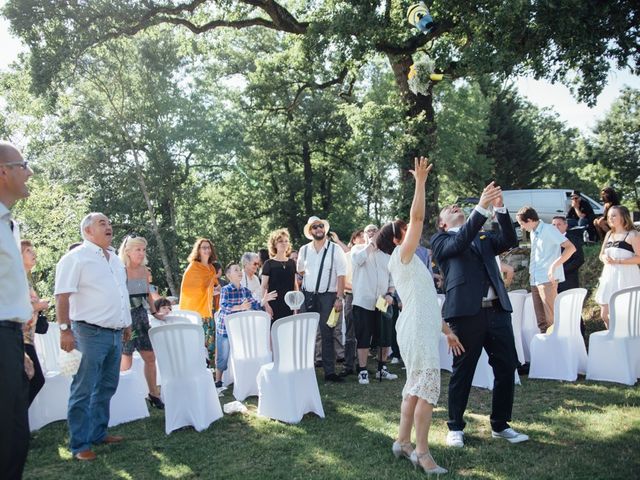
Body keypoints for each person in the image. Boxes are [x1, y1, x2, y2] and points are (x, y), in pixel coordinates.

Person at [432, 180, 528, 450]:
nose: (454, 207)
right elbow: (460, 242)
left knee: (506, 367)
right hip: (465, 314)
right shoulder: (441, 241)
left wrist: (500, 209)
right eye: (448, 209)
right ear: (442, 223)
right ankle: (455, 426)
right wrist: (481, 207)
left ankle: (500, 425)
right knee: (463, 371)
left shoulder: (481, 235)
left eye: (456, 206)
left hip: (497, 311)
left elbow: (509, 240)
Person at [382, 157, 460, 475]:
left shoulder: (414, 264)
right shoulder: (402, 256)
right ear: (398, 240)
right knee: (426, 388)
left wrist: (446, 330)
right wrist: (420, 182)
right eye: (406, 230)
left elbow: (426, 301)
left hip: (421, 325)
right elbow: (417, 217)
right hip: (414, 329)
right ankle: (423, 453)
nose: (413, 229)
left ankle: (403, 442)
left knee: (415, 388)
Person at [55, 212, 132, 461]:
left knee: (107, 386)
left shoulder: (115, 260)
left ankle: (99, 433)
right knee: (83, 389)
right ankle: (80, 445)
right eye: (102, 223)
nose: (109, 226)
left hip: (115, 333)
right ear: (88, 231)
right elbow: (62, 296)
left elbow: (122, 294)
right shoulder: (75, 258)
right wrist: (65, 330)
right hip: (88, 333)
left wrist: (127, 323)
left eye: (110, 223)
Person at [0, 141, 34, 479]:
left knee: (15, 436)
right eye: (23, 164)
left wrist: (18, 347)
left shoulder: (10, 225)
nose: (29, 172)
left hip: (9, 338)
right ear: (3, 172)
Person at [297, 215, 347, 382]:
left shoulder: (335, 249)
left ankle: (329, 372)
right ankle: (304, 369)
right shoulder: (304, 250)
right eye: (314, 227)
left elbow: (341, 275)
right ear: (310, 231)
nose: (318, 229)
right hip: (308, 295)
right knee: (306, 333)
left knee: (327, 333)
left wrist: (339, 298)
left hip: (328, 296)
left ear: (324, 229)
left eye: (320, 226)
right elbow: (301, 271)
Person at [117, 235, 164, 409]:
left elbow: (148, 294)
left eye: (143, 249)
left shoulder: (144, 271)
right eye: (138, 249)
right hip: (126, 320)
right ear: (128, 251)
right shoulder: (120, 270)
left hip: (142, 319)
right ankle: (124, 398)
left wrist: (154, 312)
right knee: (126, 359)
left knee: (150, 356)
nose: (141, 252)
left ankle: (153, 394)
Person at [214, 263, 276, 388]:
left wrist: (263, 301)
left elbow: (254, 305)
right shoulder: (226, 290)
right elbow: (224, 307)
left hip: (239, 331)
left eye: (239, 270)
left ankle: (245, 377)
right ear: (228, 275)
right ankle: (218, 380)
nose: (239, 272)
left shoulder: (245, 291)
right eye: (235, 270)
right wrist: (240, 307)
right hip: (225, 329)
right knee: (223, 355)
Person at [351, 224, 398, 384]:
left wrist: (390, 294)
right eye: (368, 231)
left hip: (382, 301)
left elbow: (392, 278)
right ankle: (363, 370)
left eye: (375, 231)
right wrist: (372, 244)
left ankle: (382, 368)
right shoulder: (358, 250)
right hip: (363, 301)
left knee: (384, 336)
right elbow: (358, 261)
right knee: (364, 337)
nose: (372, 233)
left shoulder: (387, 255)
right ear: (364, 235)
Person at [517, 206, 576, 333]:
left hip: (547, 279)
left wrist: (554, 266)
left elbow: (571, 248)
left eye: (522, 223)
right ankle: (546, 350)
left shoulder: (549, 229)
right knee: (541, 322)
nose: (521, 227)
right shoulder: (533, 232)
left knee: (551, 320)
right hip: (534, 279)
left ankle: (557, 349)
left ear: (530, 220)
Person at [594, 206, 640, 328]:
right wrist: (604, 258)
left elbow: (639, 257)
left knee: (626, 315)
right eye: (609, 216)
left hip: (627, 277)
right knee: (605, 314)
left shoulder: (633, 234)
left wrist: (618, 261)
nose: (610, 218)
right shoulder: (609, 234)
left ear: (623, 217)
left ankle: (627, 341)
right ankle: (613, 339)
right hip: (609, 277)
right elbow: (601, 254)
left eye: (614, 215)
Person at [179, 238, 218, 365]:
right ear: (198, 250)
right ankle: (199, 368)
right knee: (198, 344)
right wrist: (210, 288)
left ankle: (209, 371)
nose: (207, 250)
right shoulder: (193, 267)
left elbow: (213, 285)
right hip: (197, 313)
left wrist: (215, 289)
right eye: (204, 248)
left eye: (208, 247)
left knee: (210, 344)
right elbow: (188, 290)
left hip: (209, 310)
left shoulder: (212, 268)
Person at [336, 229, 365, 377]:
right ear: (353, 240)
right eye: (359, 237)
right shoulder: (347, 257)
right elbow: (342, 281)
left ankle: (363, 365)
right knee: (350, 332)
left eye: (364, 236)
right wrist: (358, 288)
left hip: (367, 297)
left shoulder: (370, 256)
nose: (363, 238)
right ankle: (348, 365)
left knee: (364, 333)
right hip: (351, 296)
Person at [21, 240, 47, 405]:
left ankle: (17, 423)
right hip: (19, 337)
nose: (34, 254)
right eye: (28, 251)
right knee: (35, 379)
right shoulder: (16, 279)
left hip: (28, 337)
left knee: (30, 380)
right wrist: (39, 305)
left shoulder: (27, 279)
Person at [261, 228, 297, 322]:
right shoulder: (268, 264)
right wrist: (267, 306)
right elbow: (264, 287)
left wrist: (296, 307)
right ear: (274, 244)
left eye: (286, 241)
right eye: (280, 241)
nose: (284, 243)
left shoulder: (292, 263)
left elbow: (295, 286)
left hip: (290, 304)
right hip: (274, 304)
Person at [551, 216, 585, 293]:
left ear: (565, 225)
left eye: (559, 224)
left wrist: (562, 270)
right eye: (553, 225)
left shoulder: (573, 240)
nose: (556, 227)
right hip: (551, 280)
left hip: (568, 279)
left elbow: (579, 259)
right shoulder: (548, 241)